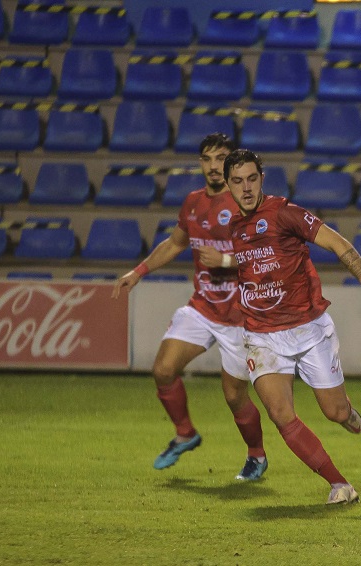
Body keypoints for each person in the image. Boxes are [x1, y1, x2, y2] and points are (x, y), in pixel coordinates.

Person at [223, 148, 361, 505]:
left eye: (252, 179)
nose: (246, 188)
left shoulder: (284, 212)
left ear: (262, 179)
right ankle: (340, 484)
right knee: (280, 413)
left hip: (308, 328)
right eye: (237, 181)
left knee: (334, 412)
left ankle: (346, 410)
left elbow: (338, 243)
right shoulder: (233, 227)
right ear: (227, 184)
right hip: (261, 334)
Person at [112, 133, 268, 481]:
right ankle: (185, 433)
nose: (214, 166)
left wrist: (226, 259)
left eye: (221, 158)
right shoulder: (194, 202)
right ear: (200, 163)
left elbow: (267, 257)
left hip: (241, 317)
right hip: (203, 307)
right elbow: (175, 243)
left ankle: (256, 455)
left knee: (234, 396)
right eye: (207, 158)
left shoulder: (247, 205)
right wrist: (138, 272)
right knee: (164, 370)